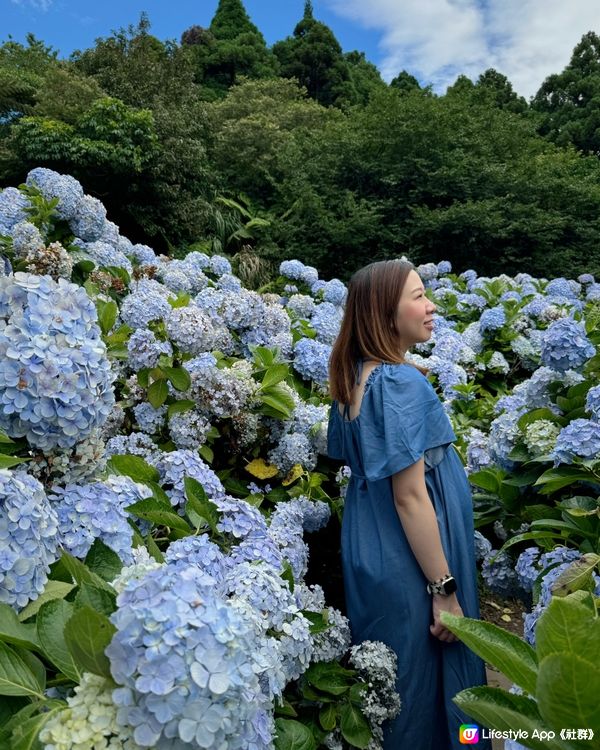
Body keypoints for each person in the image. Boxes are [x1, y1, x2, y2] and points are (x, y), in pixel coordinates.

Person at [326, 259, 492, 750]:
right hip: (413, 556)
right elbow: (410, 496)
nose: (431, 305)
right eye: (419, 295)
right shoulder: (399, 383)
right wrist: (444, 588)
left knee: (397, 686)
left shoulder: (353, 378)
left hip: (371, 546)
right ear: (384, 311)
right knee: (430, 685)